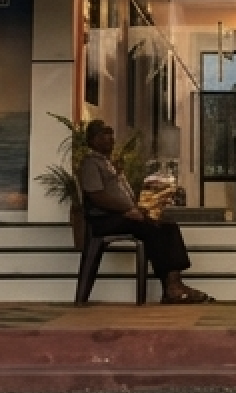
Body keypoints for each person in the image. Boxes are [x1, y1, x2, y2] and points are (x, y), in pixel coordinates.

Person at [78, 121, 212, 304]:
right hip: (105, 218)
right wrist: (127, 210)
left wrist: (142, 205)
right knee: (151, 228)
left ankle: (173, 283)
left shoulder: (110, 163)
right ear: (92, 140)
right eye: (103, 135)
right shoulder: (90, 163)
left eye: (110, 134)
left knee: (168, 226)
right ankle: (172, 288)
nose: (109, 138)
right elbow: (97, 196)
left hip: (124, 214)